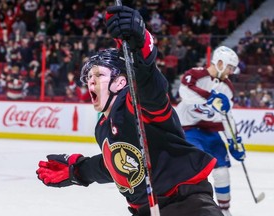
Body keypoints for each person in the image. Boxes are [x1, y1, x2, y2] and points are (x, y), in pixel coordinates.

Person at [36, 6, 223, 216]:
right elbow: (120, 165)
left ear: (120, 82)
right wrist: (79, 171)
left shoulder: (133, 102)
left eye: (99, 75)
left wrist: (139, 50)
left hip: (187, 205)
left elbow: (151, 91)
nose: (91, 82)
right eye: (89, 78)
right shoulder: (103, 127)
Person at [174, 46, 246, 216]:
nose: (230, 72)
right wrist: (211, 98)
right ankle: (192, 207)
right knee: (196, 168)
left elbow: (227, 116)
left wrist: (234, 141)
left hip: (210, 133)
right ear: (220, 63)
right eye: (229, 67)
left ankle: (224, 210)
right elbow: (184, 93)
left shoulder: (227, 88)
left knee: (221, 172)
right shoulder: (196, 74)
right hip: (189, 130)